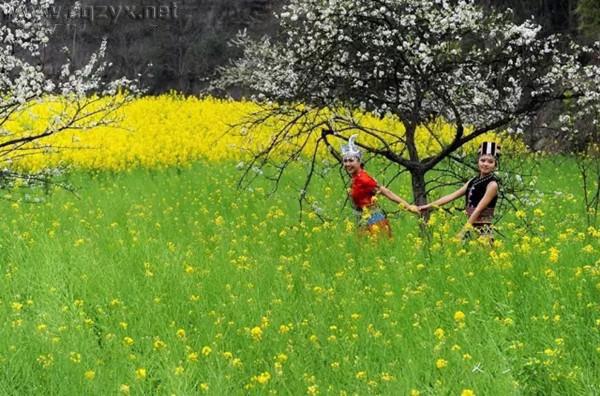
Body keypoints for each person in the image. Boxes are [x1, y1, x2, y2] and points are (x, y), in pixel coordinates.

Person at [418, 141, 500, 242]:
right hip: (471, 225)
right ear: (478, 161)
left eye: (490, 162)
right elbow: (451, 196)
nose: (485, 164)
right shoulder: (474, 180)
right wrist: (427, 206)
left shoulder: (492, 185)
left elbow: (478, 210)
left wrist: (464, 230)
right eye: (482, 160)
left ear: (495, 165)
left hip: (483, 228)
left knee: (485, 254)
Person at [341, 134, 418, 237]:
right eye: (345, 161)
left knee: (376, 250)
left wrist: (408, 207)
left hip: (374, 220)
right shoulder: (355, 178)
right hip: (363, 219)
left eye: (351, 161)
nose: (347, 164)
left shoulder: (364, 178)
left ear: (359, 162)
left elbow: (385, 191)